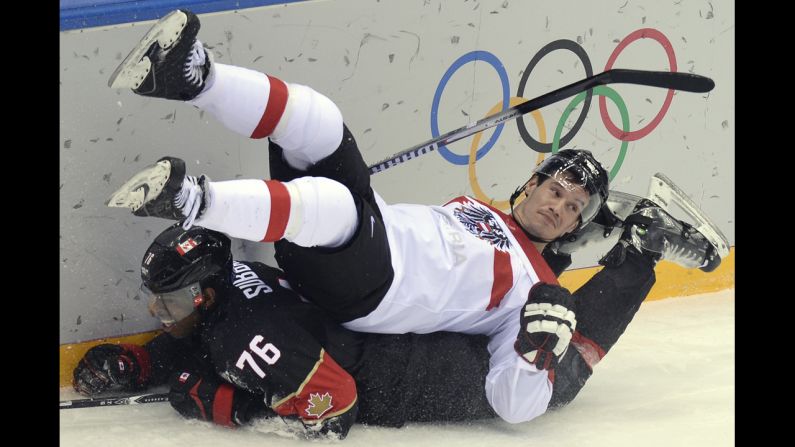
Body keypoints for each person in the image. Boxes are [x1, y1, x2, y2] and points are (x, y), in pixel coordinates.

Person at [104, 9, 722, 425]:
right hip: (355, 239)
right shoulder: (475, 209)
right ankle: (190, 75)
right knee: (320, 124)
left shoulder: (540, 290)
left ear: (575, 225)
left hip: (372, 287)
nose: (558, 207)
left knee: (339, 207)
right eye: (555, 189)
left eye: (572, 209)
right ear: (530, 184)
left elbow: (514, 405)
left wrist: (536, 351)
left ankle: (193, 200)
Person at [73, 223, 499, 439]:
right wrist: (146, 361)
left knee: (550, 380)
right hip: (411, 339)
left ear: (204, 293)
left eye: (169, 299)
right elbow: (209, 339)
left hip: (430, 379)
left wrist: (228, 406)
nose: (155, 309)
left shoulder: (243, 336)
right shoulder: (234, 278)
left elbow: (333, 413)